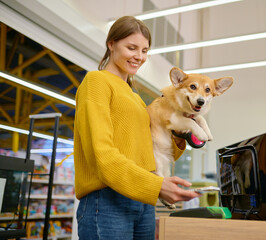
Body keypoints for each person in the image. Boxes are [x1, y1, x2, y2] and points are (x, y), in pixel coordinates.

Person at [73, 16, 200, 240]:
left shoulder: (137, 99)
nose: (139, 57)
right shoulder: (96, 82)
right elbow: (102, 155)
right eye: (131, 48)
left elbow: (153, 151)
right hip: (107, 201)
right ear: (111, 44)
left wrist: (181, 134)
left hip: (142, 200)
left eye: (144, 50)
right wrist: (157, 186)